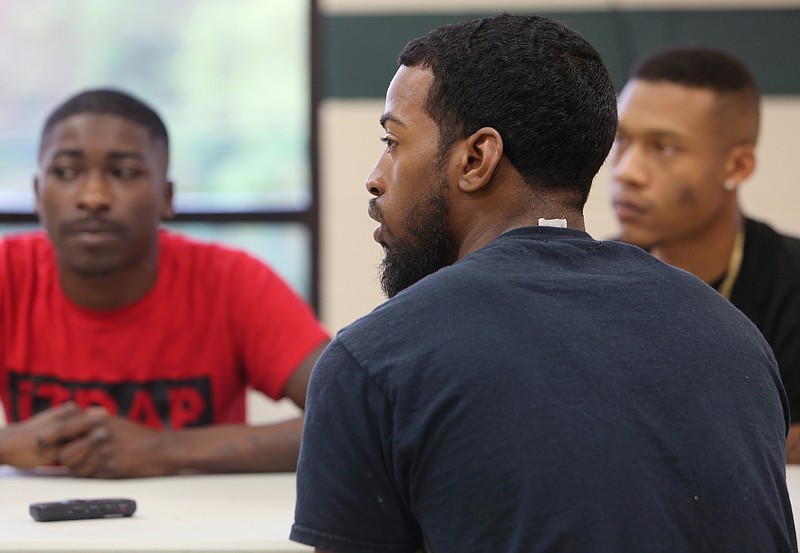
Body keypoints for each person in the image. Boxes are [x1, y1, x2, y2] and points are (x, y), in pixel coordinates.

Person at [290, 14, 796, 553]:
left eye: (393, 141)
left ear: (476, 159)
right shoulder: (735, 340)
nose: (375, 176)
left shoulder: (374, 361)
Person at [0, 88, 329, 478]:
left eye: (124, 173)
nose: (92, 197)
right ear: (38, 194)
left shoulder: (232, 282)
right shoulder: (8, 273)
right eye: (66, 173)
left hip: (197, 531)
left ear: (167, 197)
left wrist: (166, 449)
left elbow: (357, 416)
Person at [610, 45, 800, 462]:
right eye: (621, 140)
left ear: (736, 167)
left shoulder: (789, 280)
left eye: (664, 147)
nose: (626, 171)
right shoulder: (591, 279)